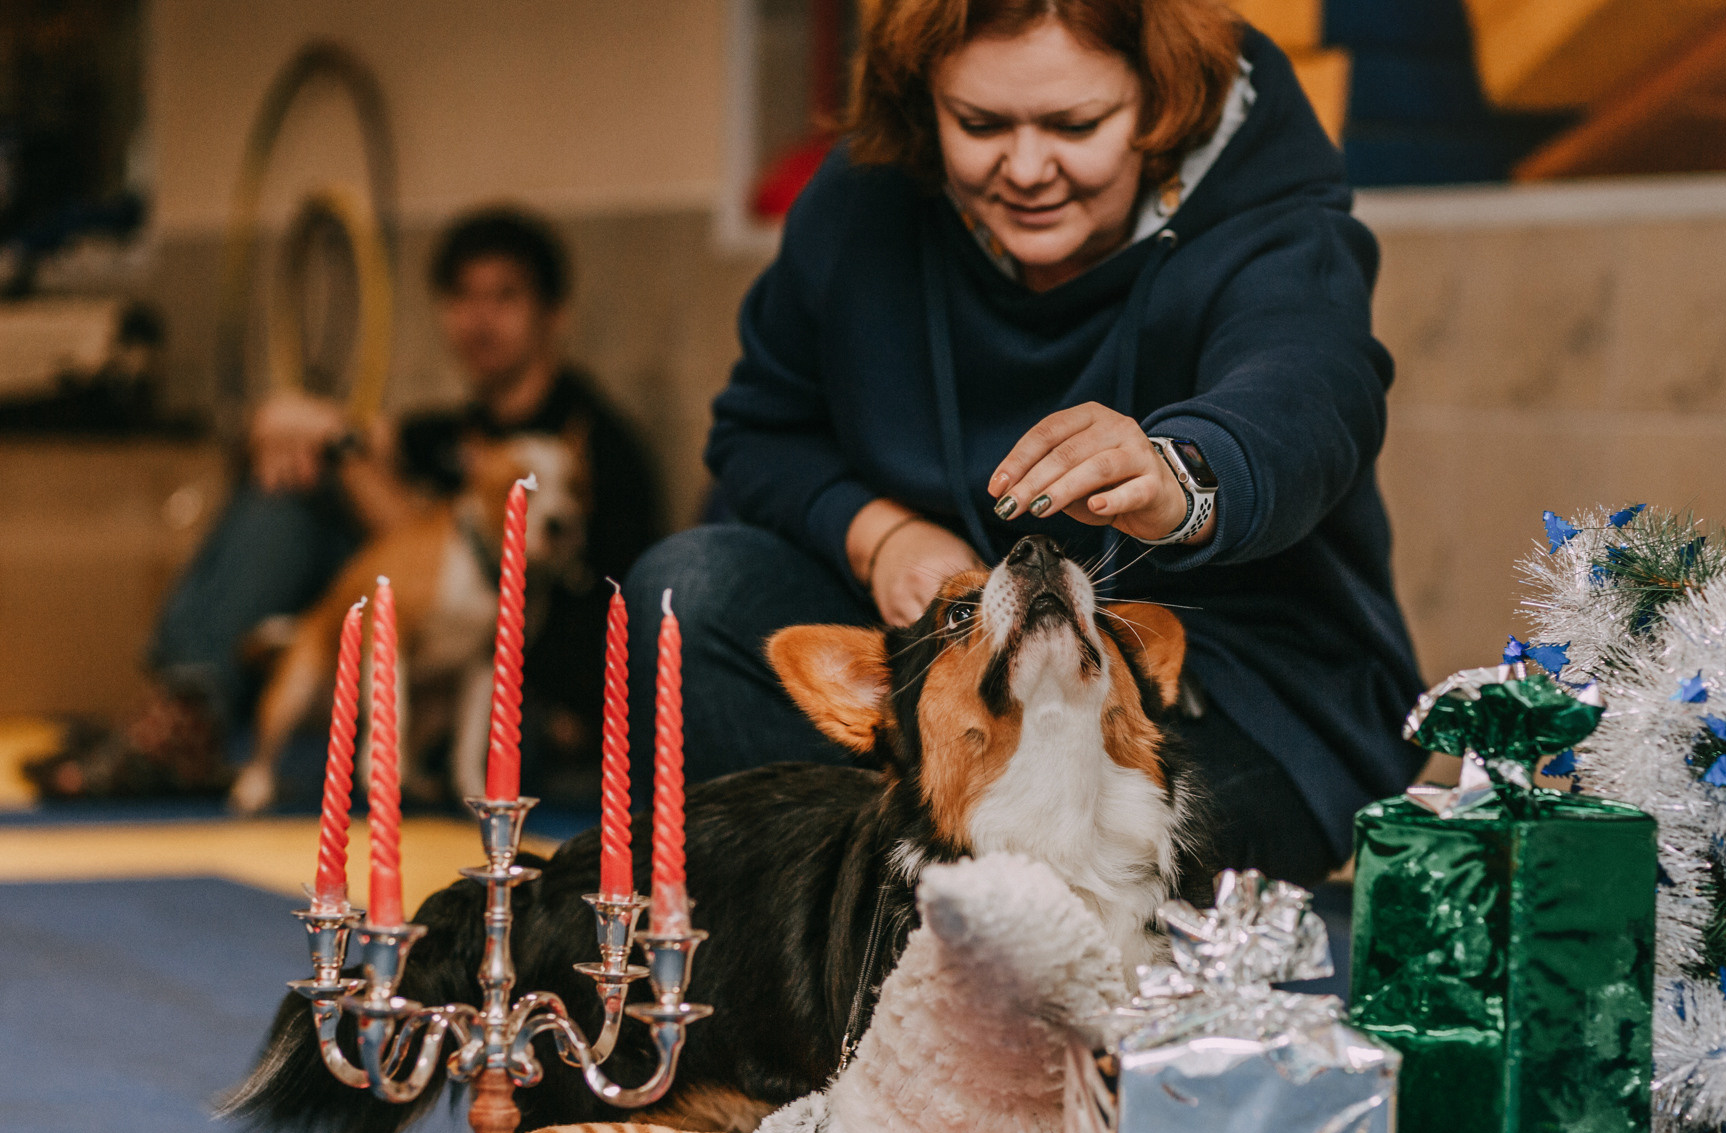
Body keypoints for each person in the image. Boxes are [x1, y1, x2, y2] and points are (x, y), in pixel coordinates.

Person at [629, 0, 1423, 892]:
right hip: (955, 679)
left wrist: (1181, 476)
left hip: (1224, 702)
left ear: (1159, 101)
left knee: (1062, 855)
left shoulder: (1267, 208)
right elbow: (764, 426)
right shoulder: (859, 202)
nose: (1027, 168)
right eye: (979, 124)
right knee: (690, 591)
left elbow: (1313, 390)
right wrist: (879, 534)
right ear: (924, 100)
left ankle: (914, 923)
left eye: (1077, 125)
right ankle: (810, 958)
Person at [33, 207, 659, 800]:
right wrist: (289, 422)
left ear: (554, 314)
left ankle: (189, 712)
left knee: (327, 462)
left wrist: (336, 443)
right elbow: (357, 463)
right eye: (464, 297)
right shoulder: (445, 432)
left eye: (505, 297)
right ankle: (187, 704)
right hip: (414, 663)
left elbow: (449, 567)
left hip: (524, 695)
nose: (480, 318)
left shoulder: (595, 448)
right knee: (292, 485)